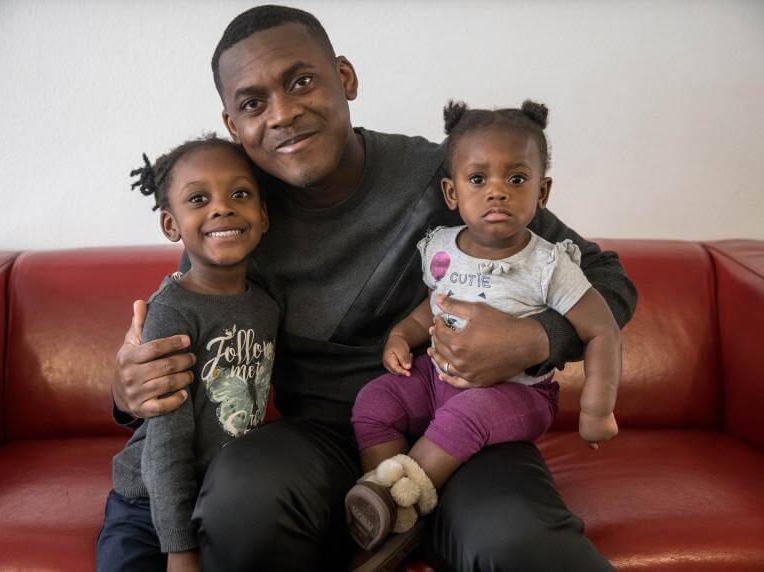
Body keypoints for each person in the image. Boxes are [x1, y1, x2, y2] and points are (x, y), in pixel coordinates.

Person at [112, 5, 636, 570]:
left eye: (302, 81)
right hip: (320, 441)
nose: (283, 113)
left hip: (471, 422)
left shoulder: (447, 176)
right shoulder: (236, 210)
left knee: (518, 542)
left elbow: (606, 279)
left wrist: (534, 341)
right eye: (253, 103)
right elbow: (181, 328)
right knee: (242, 497)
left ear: (346, 78)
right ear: (233, 124)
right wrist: (127, 394)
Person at [344, 100, 622, 552]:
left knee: (466, 415)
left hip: (516, 395)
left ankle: (397, 506)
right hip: (437, 379)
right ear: (452, 194)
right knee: (374, 400)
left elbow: (602, 330)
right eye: (478, 179)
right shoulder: (440, 248)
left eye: (516, 179)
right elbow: (431, 307)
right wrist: (400, 335)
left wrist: (595, 409)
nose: (498, 192)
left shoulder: (549, 263)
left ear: (543, 192)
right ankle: (379, 494)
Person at [97, 136, 279, 572]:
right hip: (147, 504)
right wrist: (180, 549)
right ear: (170, 225)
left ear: (264, 215)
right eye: (199, 198)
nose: (222, 208)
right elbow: (164, 445)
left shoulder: (267, 306)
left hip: (220, 499)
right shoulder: (171, 311)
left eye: (240, 194)